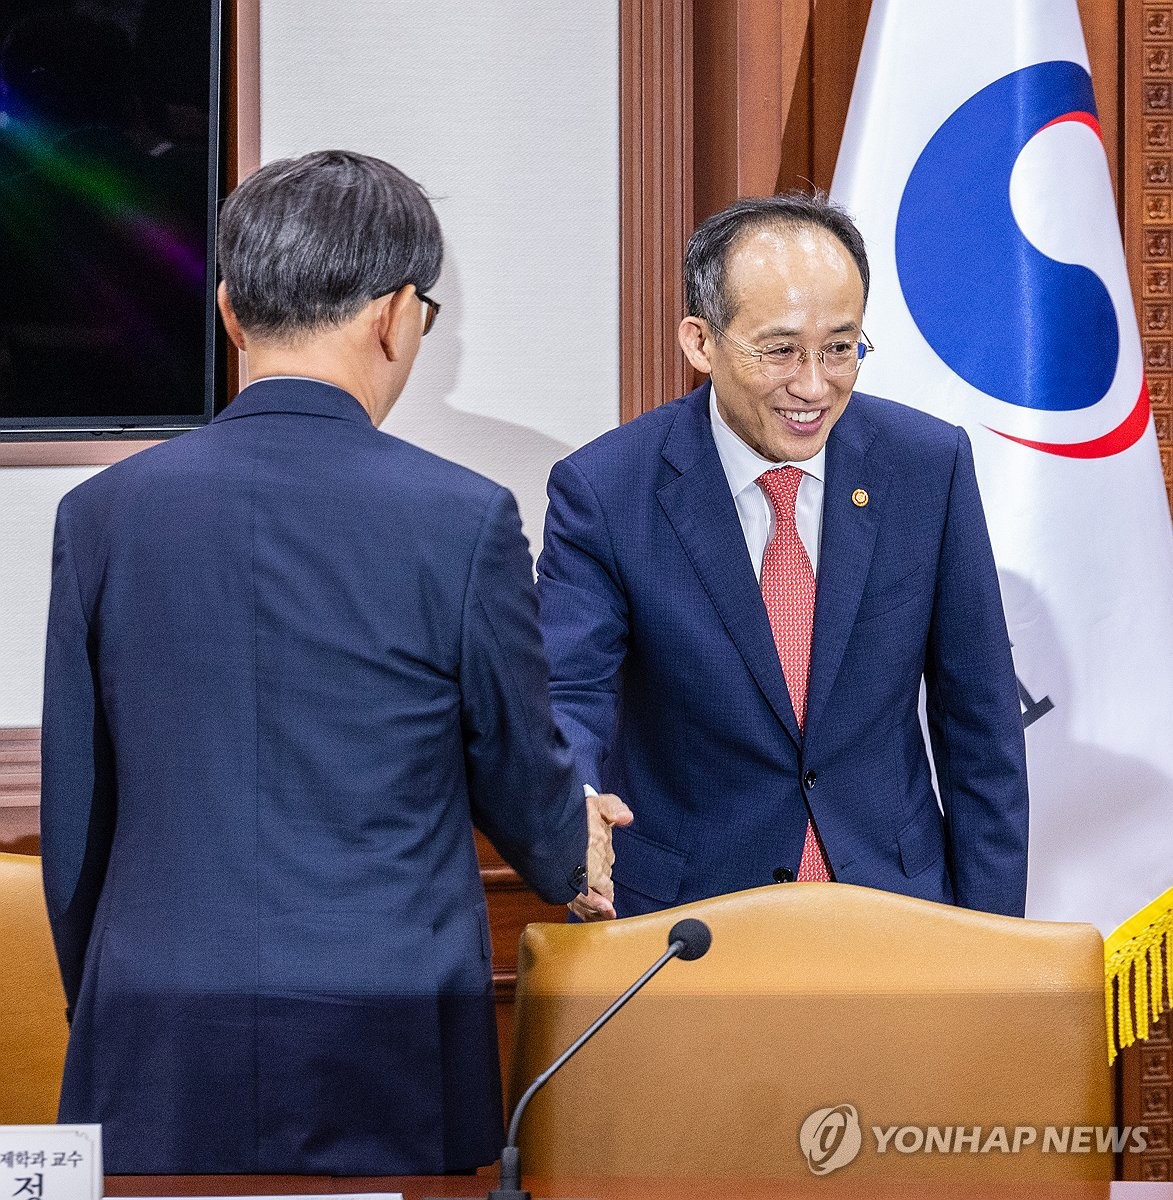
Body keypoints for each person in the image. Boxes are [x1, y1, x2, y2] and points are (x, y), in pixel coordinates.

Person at [39, 149, 629, 1176]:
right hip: (386, 1031)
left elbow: (75, 823)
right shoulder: (461, 519)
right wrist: (572, 852)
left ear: (229, 310)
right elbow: (517, 764)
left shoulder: (101, 518)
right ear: (398, 314)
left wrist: (112, 1004)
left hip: (155, 1031)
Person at [537, 192, 1028, 921]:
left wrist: (995, 944)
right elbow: (568, 694)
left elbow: (978, 720)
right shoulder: (607, 490)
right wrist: (573, 810)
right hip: (691, 920)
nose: (812, 385)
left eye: (839, 347)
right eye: (779, 350)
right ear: (700, 342)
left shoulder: (927, 465)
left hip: (894, 905)